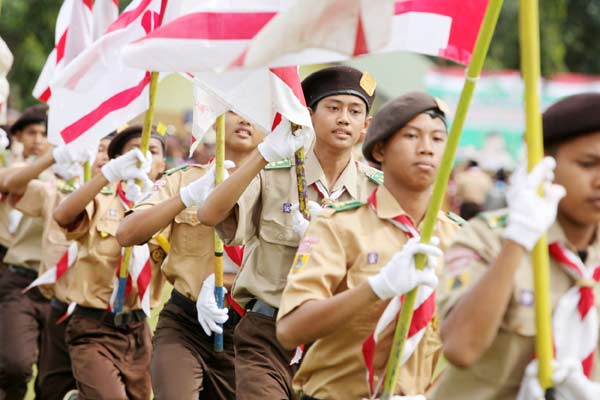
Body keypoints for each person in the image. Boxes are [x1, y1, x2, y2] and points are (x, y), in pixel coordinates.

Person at [198, 66, 382, 399]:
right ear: (309, 115)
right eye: (333, 108)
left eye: (354, 112)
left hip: (334, 341)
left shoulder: (375, 192)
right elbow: (210, 214)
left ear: (365, 126)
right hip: (266, 333)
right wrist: (264, 153)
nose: (344, 119)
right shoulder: (275, 172)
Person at [276, 92, 462, 399]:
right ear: (380, 149)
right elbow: (290, 329)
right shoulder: (341, 226)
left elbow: (472, 343)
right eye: (412, 136)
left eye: (438, 139)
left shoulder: (456, 239)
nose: (427, 149)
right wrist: (378, 287)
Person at [431, 93, 600, 399]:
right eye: (588, 164)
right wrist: (518, 241)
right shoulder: (489, 238)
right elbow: (460, 347)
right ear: (544, 165)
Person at [116, 112, 265, 399]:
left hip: (250, 332)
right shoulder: (185, 179)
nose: (245, 119)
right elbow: (128, 233)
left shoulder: (281, 189)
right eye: (234, 110)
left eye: (253, 111)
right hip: (186, 323)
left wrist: (226, 282)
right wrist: (186, 197)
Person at [53, 126, 167, 400]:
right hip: (93, 326)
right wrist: (108, 175)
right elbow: (64, 215)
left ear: (163, 164)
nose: (143, 158)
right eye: (133, 152)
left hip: (138, 330)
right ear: (119, 160)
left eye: (152, 151)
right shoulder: (102, 201)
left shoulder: (167, 209)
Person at [2, 135, 109, 400]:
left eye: (110, 152)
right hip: (25, 284)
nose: (103, 157)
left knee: (55, 382)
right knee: (15, 364)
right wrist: (53, 157)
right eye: (98, 149)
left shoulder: (117, 201)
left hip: (71, 297)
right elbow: (11, 184)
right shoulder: (54, 185)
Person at [0, 105, 55, 399]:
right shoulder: (18, 169)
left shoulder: (63, 174)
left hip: (53, 283)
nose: (38, 139)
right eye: (31, 132)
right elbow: (10, 181)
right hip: (16, 273)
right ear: (17, 135)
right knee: (14, 364)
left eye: (44, 133)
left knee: (52, 375)